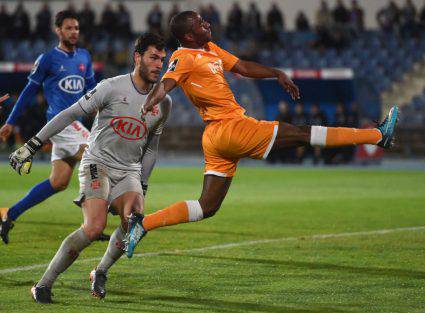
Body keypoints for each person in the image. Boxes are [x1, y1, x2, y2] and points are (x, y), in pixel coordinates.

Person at [122, 11, 399, 257]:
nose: (206, 23)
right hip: (231, 128)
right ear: (188, 35)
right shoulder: (183, 56)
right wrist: (149, 103)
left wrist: (276, 73)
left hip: (218, 137)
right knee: (302, 133)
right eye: (199, 23)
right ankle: (377, 136)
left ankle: (142, 224)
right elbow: (167, 83)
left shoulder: (209, 49)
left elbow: (242, 66)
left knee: (207, 206)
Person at [9, 33, 172, 303]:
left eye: (162, 59)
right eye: (153, 57)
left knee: (134, 222)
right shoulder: (112, 87)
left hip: (129, 170)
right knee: (95, 227)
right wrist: (34, 143)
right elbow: (71, 113)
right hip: (98, 162)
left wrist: (142, 183)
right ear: (137, 57)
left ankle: (100, 271)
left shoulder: (164, 102)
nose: (159, 64)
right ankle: (44, 285)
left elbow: (152, 147)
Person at [0, 11, 96, 245]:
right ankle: (93, 222)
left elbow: (93, 89)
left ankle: (8, 215)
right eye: (69, 28)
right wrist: (11, 121)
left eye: (76, 28)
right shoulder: (48, 59)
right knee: (96, 159)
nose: (74, 32)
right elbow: (28, 92)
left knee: (59, 181)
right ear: (58, 31)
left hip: (77, 123)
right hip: (60, 123)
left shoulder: (84, 56)